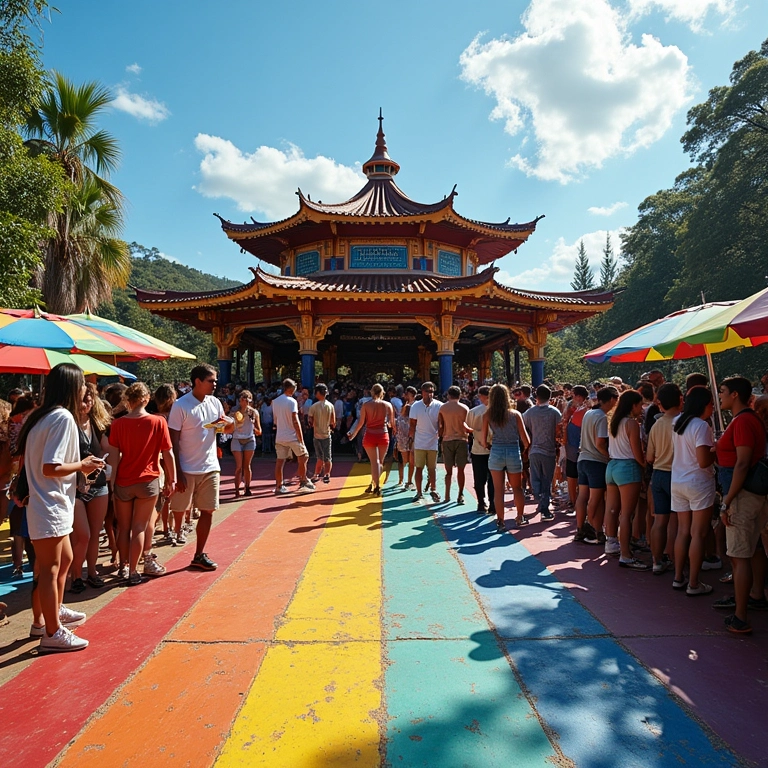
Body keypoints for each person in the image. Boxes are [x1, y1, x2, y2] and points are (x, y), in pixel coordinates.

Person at [18, 364, 105, 652]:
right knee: (51, 570)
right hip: (50, 505)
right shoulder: (62, 418)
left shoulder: (42, 416)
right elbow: (51, 466)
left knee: (63, 560)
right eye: (82, 383)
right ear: (71, 386)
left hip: (49, 504)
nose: (85, 389)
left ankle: (51, 613)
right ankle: (51, 631)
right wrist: (83, 465)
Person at [714, 377, 768, 634]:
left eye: (723, 392)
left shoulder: (744, 421)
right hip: (749, 494)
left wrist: (727, 501)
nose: (720, 396)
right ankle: (754, 596)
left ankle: (740, 616)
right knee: (753, 549)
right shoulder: (746, 420)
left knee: (739, 556)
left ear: (735, 395)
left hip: (742, 495)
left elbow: (743, 463)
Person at [168, 364, 234, 570]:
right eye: (211, 380)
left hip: (210, 466)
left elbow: (224, 429)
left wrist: (230, 424)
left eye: (215, 380)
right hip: (187, 468)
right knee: (178, 510)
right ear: (197, 381)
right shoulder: (181, 405)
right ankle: (169, 536)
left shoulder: (215, 403)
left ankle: (199, 554)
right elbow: (173, 440)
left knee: (208, 511)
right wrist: (177, 472)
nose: (215, 384)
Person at [110, 383, 176, 584]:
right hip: (148, 479)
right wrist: (172, 479)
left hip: (123, 479)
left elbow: (113, 457)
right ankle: (133, 571)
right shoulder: (158, 422)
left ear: (128, 401)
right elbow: (168, 453)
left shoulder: (118, 425)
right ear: (147, 399)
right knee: (140, 526)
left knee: (123, 526)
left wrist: (112, 484)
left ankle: (123, 566)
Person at [670, 386, 716, 595]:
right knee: (698, 533)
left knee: (683, 531)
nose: (713, 408)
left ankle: (679, 577)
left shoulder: (677, 422)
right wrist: (717, 449)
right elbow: (704, 460)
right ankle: (694, 583)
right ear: (704, 404)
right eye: (711, 404)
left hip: (678, 480)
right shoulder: (702, 426)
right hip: (698, 482)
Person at [69, 383, 113, 593]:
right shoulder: (67, 424)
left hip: (98, 483)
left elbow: (108, 449)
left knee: (95, 532)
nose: (86, 403)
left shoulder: (97, 423)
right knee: (82, 534)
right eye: (83, 398)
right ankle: (76, 574)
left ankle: (92, 572)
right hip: (74, 487)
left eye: (90, 399)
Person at [604, 390, 648, 570]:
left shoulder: (614, 422)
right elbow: (637, 453)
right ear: (633, 405)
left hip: (612, 466)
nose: (642, 408)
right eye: (640, 404)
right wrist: (645, 464)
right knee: (627, 514)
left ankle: (611, 542)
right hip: (628, 468)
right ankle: (626, 554)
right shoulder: (632, 424)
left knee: (613, 509)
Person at [481, 383, 530, 532]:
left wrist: (489, 445)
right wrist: (523, 451)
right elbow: (526, 440)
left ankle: (500, 521)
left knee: (498, 489)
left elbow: (484, 441)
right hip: (513, 450)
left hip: (496, 451)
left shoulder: (488, 415)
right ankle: (520, 516)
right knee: (517, 487)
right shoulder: (515, 415)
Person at [575, 385, 619, 544]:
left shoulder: (589, 413)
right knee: (596, 498)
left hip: (583, 459)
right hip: (596, 461)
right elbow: (600, 443)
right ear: (613, 399)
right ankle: (590, 525)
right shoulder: (601, 416)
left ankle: (580, 528)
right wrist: (610, 458)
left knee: (583, 496)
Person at [646, 383, 682, 575]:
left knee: (659, 521)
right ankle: (677, 565)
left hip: (658, 474)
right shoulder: (683, 423)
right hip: (675, 474)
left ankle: (656, 561)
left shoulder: (657, 424)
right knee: (675, 523)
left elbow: (649, 457)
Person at [523, 385, 562, 521]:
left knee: (535, 477)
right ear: (550, 397)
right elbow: (559, 431)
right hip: (549, 451)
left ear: (536, 396)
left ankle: (538, 496)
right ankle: (544, 506)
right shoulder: (555, 412)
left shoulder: (529, 413)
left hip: (534, 449)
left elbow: (525, 428)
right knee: (547, 479)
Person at [349, 383, 393, 495]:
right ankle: (376, 484)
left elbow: (361, 422)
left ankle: (375, 484)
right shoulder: (387, 405)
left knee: (374, 462)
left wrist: (354, 434)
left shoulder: (366, 405)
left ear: (372, 392)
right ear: (382, 392)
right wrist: (388, 424)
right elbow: (392, 423)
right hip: (383, 434)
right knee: (380, 462)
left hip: (369, 434)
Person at [272, 378, 314, 495]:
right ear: (291, 388)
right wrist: (301, 438)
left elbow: (275, 420)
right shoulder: (292, 401)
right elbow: (295, 421)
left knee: (280, 461)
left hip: (280, 436)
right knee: (304, 456)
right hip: (292, 436)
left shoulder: (275, 402)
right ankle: (303, 479)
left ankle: (279, 485)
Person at [409, 382, 442, 502]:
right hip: (419, 442)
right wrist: (411, 440)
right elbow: (412, 425)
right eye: (428, 391)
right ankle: (419, 492)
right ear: (422, 392)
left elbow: (441, 423)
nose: (430, 394)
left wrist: (441, 435)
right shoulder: (415, 406)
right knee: (419, 468)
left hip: (433, 442)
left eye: (432, 391)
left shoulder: (439, 406)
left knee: (432, 468)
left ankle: (433, 489)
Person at [438, 386, 471, 504]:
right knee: (461, 470)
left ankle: (447, 495)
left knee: (448, 471)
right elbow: (467, 426)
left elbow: (440, 426)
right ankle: (460, 495)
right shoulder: (464, 408)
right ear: (460, 395)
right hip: (461, 439)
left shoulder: (443, 408)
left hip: (447, 439)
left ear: (448, 395)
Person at [466, 385, 495, 515]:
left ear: (480, 396)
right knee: (493, 479)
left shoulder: (474, 412)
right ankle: (493, 504)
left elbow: (468, 428)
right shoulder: (498, 411)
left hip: (478, 449)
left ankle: (481, 503)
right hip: (494, 449)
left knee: (479, 478)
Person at [562, 385, 589, 515]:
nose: (571, 398)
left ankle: (575, 501)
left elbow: (568, 425)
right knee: (573, 475)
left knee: (573, 475)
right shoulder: (577, 409)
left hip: (575, 447)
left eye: (573, 395)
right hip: (575, 447)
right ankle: (575, 501)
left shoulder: (581, 411)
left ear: (579, 396)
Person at [231, 389, 261, 497]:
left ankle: (247, 487)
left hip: (249, 439)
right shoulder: (235, 412)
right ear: (240, 401)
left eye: (248, 401)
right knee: (239, 466)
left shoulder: (253, 412)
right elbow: (229, 427)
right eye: (243, 400)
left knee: (246, 465)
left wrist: (253, 426)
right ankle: (236, 489)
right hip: (237, 439)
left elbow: (259, 431)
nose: (245, 403)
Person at [309, 384, 336, 484]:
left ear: (318, 393)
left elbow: (310, 420)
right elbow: (333, 422)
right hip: (327, 434)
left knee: (319, 456)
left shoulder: (314, 406)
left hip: (317, 434)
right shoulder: (331, 406)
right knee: (328, 456)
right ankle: (327, 474)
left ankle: (316, 473)